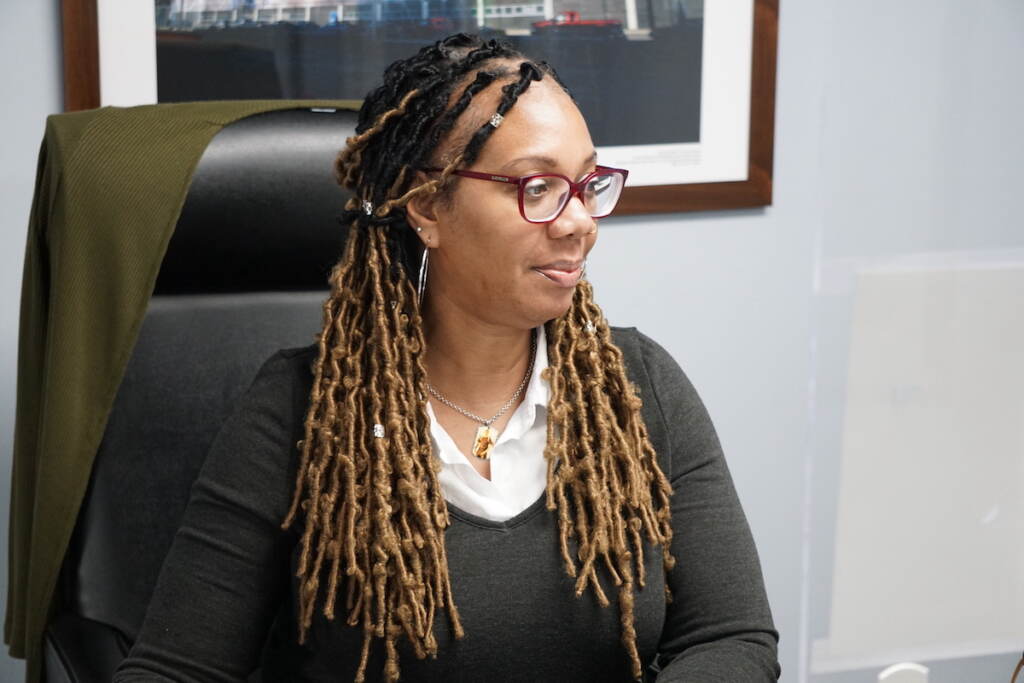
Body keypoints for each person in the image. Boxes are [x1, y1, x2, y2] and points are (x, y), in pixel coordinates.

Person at [113, 33, 780, 682]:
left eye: (586, 184)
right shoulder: (302, 411)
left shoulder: (640, 386)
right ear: (428, 206)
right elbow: (172, 667)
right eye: (538, 187)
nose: (580, 221)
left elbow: (731, 636)